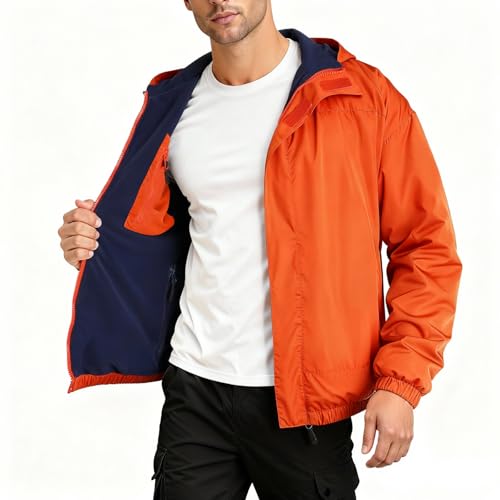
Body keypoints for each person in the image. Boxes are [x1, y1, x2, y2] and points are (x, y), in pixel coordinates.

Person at [57, 1, 462, 498]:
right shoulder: (173, 103)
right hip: (195, 386)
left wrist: (401, 381)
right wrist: (91, 242)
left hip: (307, 401)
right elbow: (149, 236)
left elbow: (425, 247)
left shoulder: (361, 96)